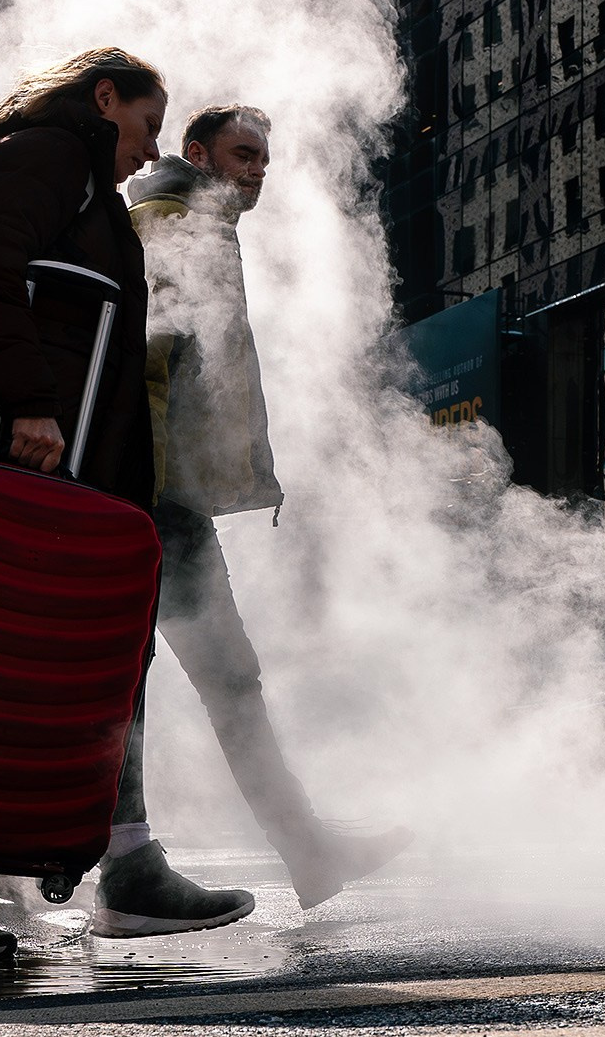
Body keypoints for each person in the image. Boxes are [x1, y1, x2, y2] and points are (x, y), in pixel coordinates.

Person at [0, 46, 239, 958]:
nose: (149, 149)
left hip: (49, 467)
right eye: (147, 122)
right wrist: (28, 400)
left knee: (92, 657)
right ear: (103, 99)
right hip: (5, 450)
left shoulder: (84, 189)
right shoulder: (43, 159)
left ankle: (128, 866)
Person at [107, 105, 412, 927]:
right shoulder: (171, 225)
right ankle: (123, 867)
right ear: (198, 153)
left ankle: (302, 846)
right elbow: (147, 361)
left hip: (166, 497)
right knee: (141, 686)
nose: (257, 171)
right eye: (243, 155)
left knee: (215, 680)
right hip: (151, 499)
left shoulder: (193, 225)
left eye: (265, 160)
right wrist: (149, 493)